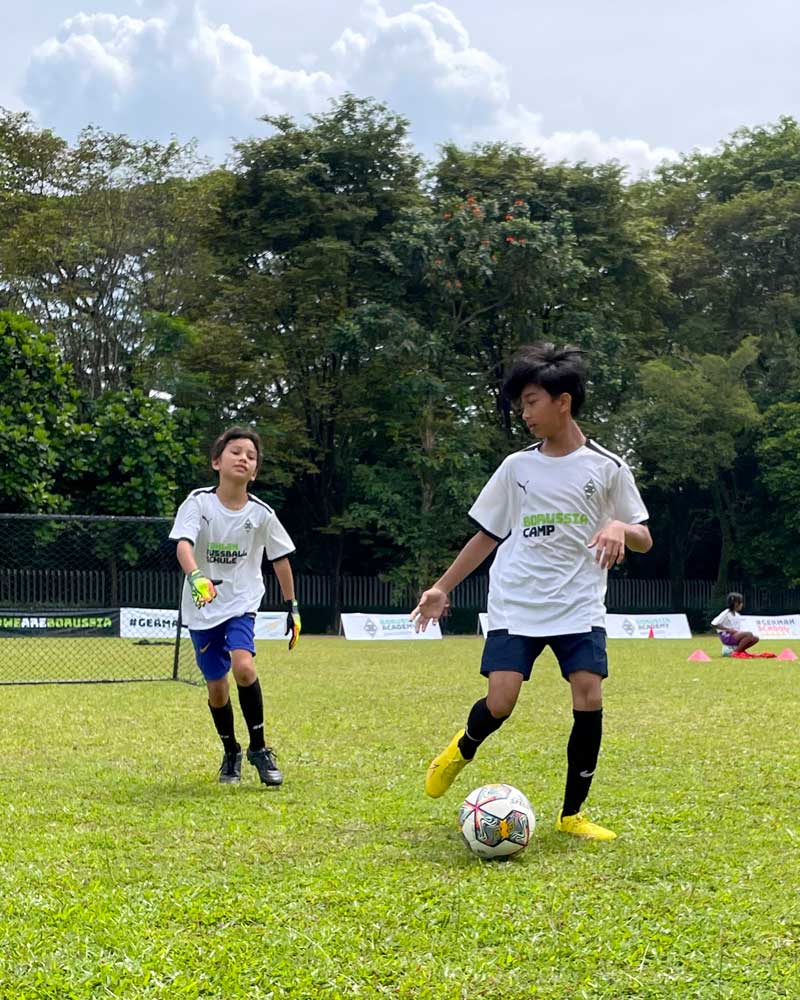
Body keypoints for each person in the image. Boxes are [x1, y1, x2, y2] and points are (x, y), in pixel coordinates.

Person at [411, 343, 652, 841]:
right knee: (501, 701)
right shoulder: (516, 468)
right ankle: (462, 746)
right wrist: (440, 588)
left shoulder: (607, 467)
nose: (524, 414)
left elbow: (644, 536)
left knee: (588, 694)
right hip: (516, 602)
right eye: (521, 404)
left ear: (563, 401)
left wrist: (616, 527)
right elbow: (486, 535)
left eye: (532, 402)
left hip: (579, 605)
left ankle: (573, 814)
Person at [170, 426, 301, 786]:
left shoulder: (262, 514)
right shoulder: (198, 502)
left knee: (243, 667)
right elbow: (183, 544)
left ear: (255, 471)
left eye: (251, 456)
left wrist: (293, 607)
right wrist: (196, 577)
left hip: (242, 602)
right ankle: (231, 751)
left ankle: (259, 748)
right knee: (217, 688)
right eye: (236, 451)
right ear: (217, 461)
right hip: (201, 607)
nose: (243, 457)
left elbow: (280, 559)